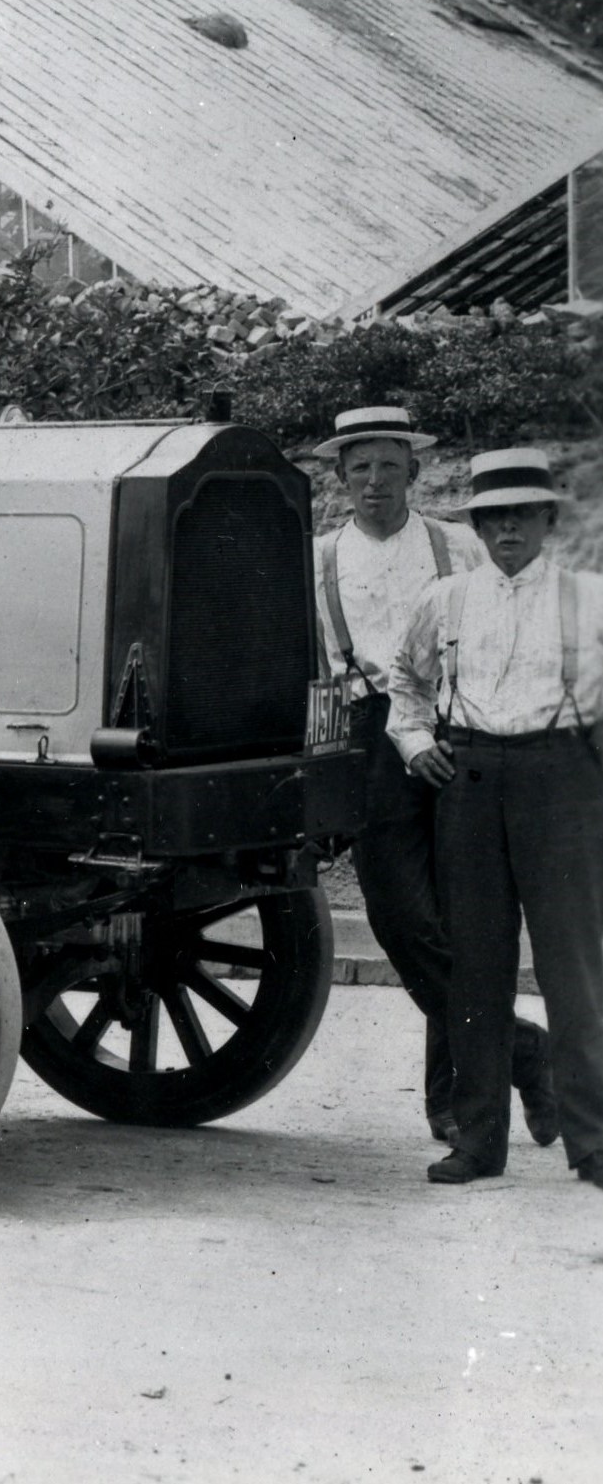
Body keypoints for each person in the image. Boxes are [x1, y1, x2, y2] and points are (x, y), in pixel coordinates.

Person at [311, 405, 552, 1150]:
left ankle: (451, 1106)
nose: (374, 481)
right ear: (341, 477)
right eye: (359, 468)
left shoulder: (456, 546)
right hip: (365, 740)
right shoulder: (318, 558)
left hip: (453, 733)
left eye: (388, 465)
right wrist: (319, 771)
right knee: (400, 919)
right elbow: (313, 675)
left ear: (413, 471)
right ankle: (525, 1052)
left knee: (458, 921)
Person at [388, 447, 603, 1188]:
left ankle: (593, 1140)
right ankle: (477, 1141)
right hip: (469, 782)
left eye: (520, 512)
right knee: (474, 966)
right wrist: (415, 742)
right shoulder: (444, 600)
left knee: (573, 965)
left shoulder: (589, 598)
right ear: (476, 523)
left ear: (548, 518)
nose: (506, 526)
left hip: (562, 782)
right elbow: (404, 683)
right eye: (492, 515)